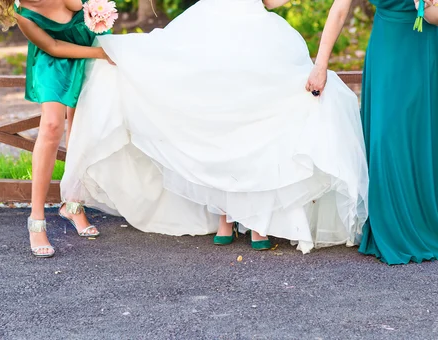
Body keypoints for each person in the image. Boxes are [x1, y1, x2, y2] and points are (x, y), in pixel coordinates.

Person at [60, 0, 369, 253]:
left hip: (256, 33)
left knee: (252, 119)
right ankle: (225, 216)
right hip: (209, 30)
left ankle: (257, 219)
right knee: (216, 118)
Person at [308, 0, 438, 264]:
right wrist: (320, 66)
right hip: (387, 47)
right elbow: (338, 11)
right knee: (385, 136)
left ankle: (423, 223)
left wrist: (423, 5)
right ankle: (392, 227)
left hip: (422, 49)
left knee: (418, 134)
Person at [0, 0, 114, 257]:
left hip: (86, 48)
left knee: (81, 124)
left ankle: (73, 203)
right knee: (51, 125)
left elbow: (85, 11)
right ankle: (36, 220)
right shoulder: (23, 13)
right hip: (53, 60)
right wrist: (101, 54)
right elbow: (53, 46)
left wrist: (102, 42)